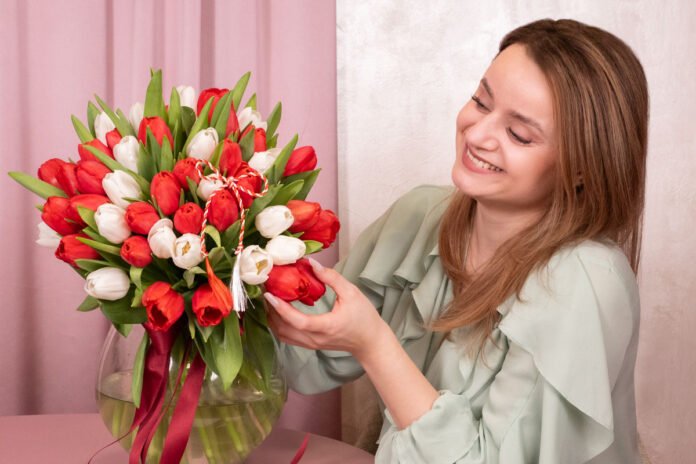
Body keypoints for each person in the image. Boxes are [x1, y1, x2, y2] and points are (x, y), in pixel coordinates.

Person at [263, 18, 647, 463]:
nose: (477, 134)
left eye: (519, 134)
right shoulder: (422, 215)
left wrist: (374, 343)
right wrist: (228, 247)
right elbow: (302, 354)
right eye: (481, 102)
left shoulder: (583, 281)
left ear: (580, 169)